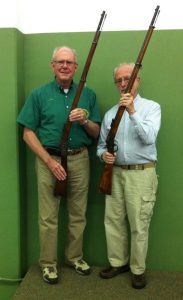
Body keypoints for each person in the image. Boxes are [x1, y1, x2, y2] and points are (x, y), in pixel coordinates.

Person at [17, 46, 101, 284]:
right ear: (52, 65)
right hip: (48, 160)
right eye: (60, 62)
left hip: (80, 158)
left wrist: (85, 121)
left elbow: (95, 132)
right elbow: (27, 133)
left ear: (76, 67)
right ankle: (48, 264)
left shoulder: (88, 94)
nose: (65, 66)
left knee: (78, 213)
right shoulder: (38, 94)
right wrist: (48, 161)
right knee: (48, 216)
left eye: (70, 62)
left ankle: (74, 258)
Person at [97, 63, 161, 289]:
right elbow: (101, 146)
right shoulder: (110, 114)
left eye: (129, 79)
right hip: (114, 174)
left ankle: (137, 269)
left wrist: (132, 111)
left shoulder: (152, 108)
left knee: (139, 224)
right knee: (112, 221)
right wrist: (103, 156)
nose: (124, 83)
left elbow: (149, 138)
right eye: (119, 80)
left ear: (138, 80)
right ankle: (117, 262)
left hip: (141, 174)